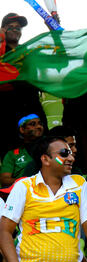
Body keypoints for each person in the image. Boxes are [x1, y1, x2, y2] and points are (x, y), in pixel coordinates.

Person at [0, 136, 87, 262]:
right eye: (64, 153)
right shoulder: (24, 186)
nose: (71, 158)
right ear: (45, 160)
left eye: (71, 153)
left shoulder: (79, 183)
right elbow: (4, 230)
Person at [0, 13, 48, 160]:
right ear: (3, 29)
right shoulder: (1, 52)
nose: (16, 30)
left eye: (18, 28)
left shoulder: (28, 52)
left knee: (42, 147)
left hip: (32, 105)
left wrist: (53, 31)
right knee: (10, 150)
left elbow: (55, 58)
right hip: (7, 110)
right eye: (11, 27)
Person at [0, 114, 44, 187]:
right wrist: (28, 181)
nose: (39, 127)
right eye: (33, 124)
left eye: (40, 124)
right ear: (22, 129)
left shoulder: (50, 147)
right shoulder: (12, 154)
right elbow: (4, 180)